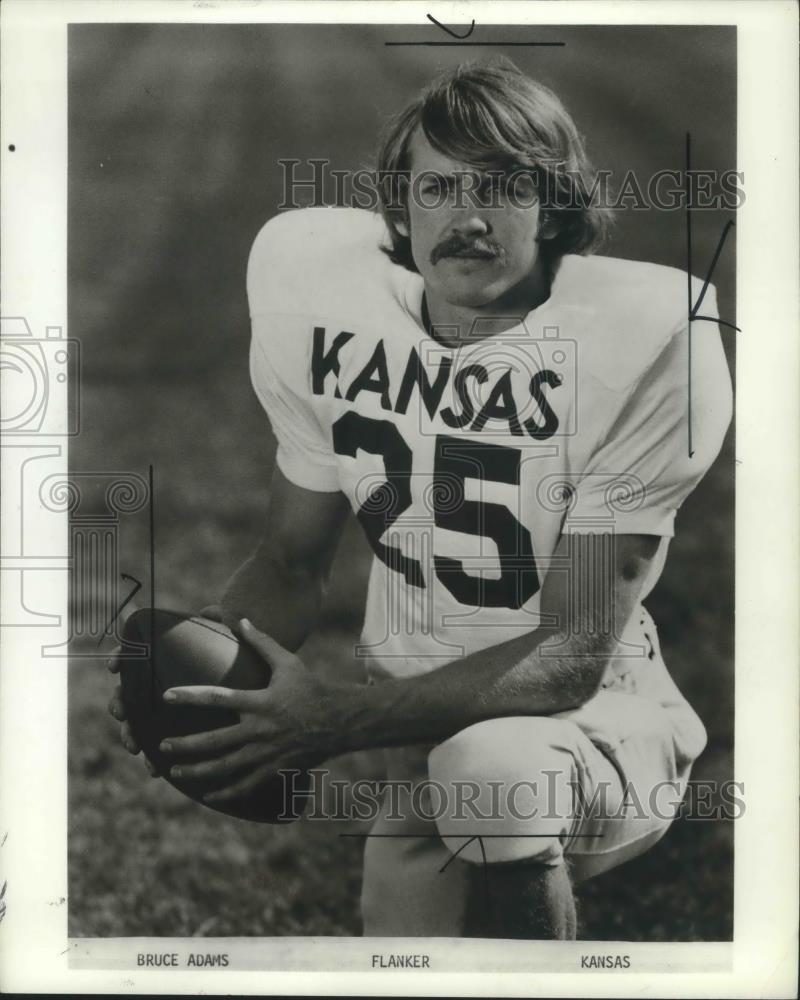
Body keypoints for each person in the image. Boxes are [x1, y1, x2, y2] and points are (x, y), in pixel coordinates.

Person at [108, 58, 732, 939]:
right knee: (410, 960)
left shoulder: (643, 338)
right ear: (397, 209)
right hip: (406, 722)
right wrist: (201, 686)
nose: (466, 219)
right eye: (436, 188)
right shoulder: (332, 303)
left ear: (554, 206)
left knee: (493, 773)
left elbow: (569, 654)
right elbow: (289, 562)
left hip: (594, 722)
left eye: (503, 188)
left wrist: (331, 721)